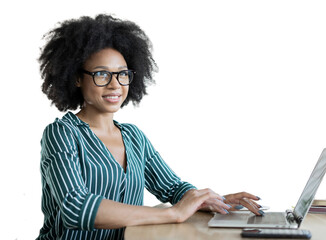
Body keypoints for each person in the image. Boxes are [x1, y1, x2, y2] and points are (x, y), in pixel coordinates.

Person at [37, 14, 263, 240]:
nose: (115, 84)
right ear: (77, 78)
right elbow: (75, 207)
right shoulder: (61, 133)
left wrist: (212, 201)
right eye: (102, 74)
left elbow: (173, 188)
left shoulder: (134, 137)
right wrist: (174, 213)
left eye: (122, 74)